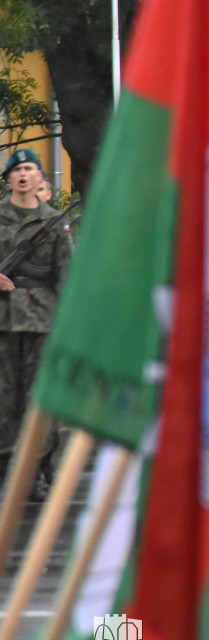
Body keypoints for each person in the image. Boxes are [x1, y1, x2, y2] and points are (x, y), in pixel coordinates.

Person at [0, 149, 74, 500]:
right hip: (2, 321)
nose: (23, 175)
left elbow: (67, 275)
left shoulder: (54, 222)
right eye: (17, 170)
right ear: (9, 179)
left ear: (40, 176)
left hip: (42, 321)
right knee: (4, 398)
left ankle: (39, 471)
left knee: (40, 399)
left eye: (30, 168)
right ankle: (5, 469)